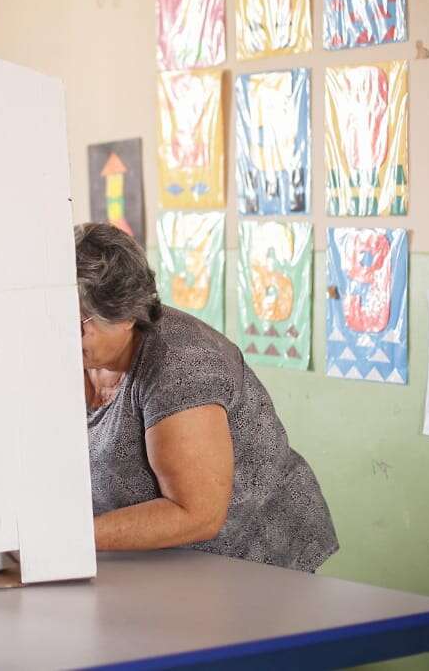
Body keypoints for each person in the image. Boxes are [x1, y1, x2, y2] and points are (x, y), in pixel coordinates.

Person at [76, 222, 337, 572]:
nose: (61, 331)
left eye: (80, 322)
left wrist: (69, 538)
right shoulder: (80, 356)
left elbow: (196, 513)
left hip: (252, 562)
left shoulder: (182, 363)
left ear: (124, 315)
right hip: (160, 568)